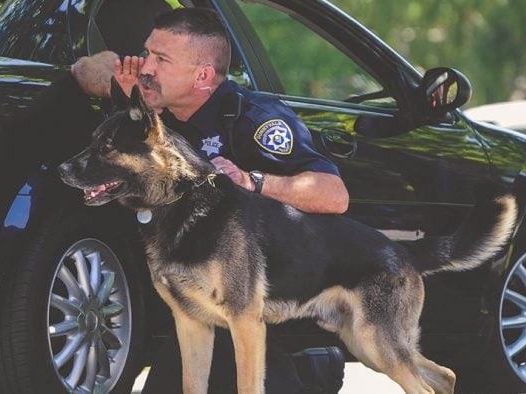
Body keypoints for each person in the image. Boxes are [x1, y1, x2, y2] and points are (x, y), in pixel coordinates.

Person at [71, 8, 349, 393]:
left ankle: (312, 367)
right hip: (194, 310)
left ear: (202, 76)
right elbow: (84, 69)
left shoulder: (254, 119)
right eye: (147, 53)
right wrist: (119, 81)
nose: (147, 66)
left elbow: (334, 196)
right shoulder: (150, 116)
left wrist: (251, 180)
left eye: (161, 60)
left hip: (270, 316)